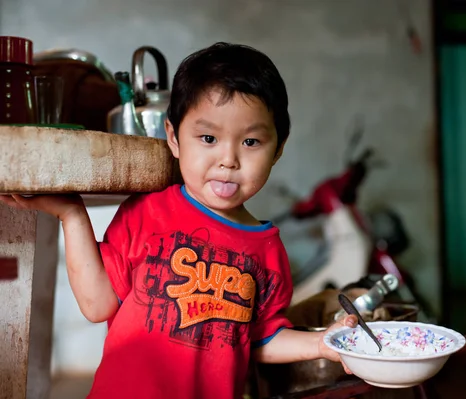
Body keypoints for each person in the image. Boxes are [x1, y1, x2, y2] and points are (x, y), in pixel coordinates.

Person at [0, 42, 357, 399]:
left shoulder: (268, 251)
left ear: (278, 148)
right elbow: (97, 306)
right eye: (208, 138)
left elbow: (260, 340)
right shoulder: (146, 213)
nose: (228, 159)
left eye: (250, 141)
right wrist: (72, 214)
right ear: (173, 137)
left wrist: (321, 344)